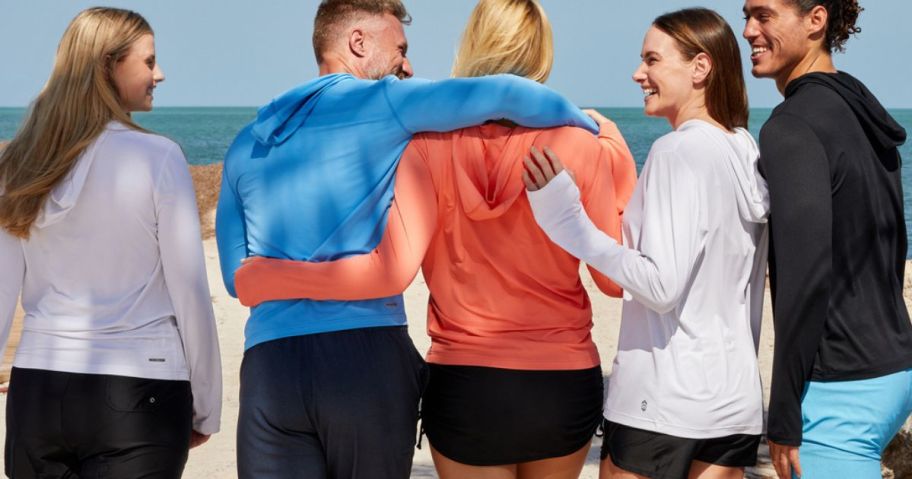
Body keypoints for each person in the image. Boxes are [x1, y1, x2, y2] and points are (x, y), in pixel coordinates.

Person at [229, 1, 635, 477]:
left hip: (449, 381)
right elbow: (612, 280)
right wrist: (603, 139)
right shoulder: (577, 144)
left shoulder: (415, 146)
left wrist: (270, 274)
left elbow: (385, 269)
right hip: (557, 378)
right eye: (400, 48)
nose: (407, 64)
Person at [523, 8, 769, 479]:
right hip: (732, 402)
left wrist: (568, 222)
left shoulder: (677, 151)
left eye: (652, 60)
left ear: (700, 67)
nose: (639, 74)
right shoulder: (743, 148)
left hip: (661, 403)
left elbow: (660, 285)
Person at [0, 7, 222, 478]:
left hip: (37, 393)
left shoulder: (19, 164)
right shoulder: (158, 157)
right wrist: (206, 403)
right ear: (108, 67)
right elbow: (189, 292)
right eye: (148, 61)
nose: (160, 74)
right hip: (141, 390)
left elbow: (0, 291)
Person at [742, 1, 912, 478]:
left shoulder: (791, 126)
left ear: (815, 20)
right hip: (893, 365)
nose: (749, 30)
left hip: (840, 392)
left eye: (764, 15)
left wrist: (783, 412)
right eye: (746, 15)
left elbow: (805, 277)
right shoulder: (860, 108)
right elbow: (887, 242)